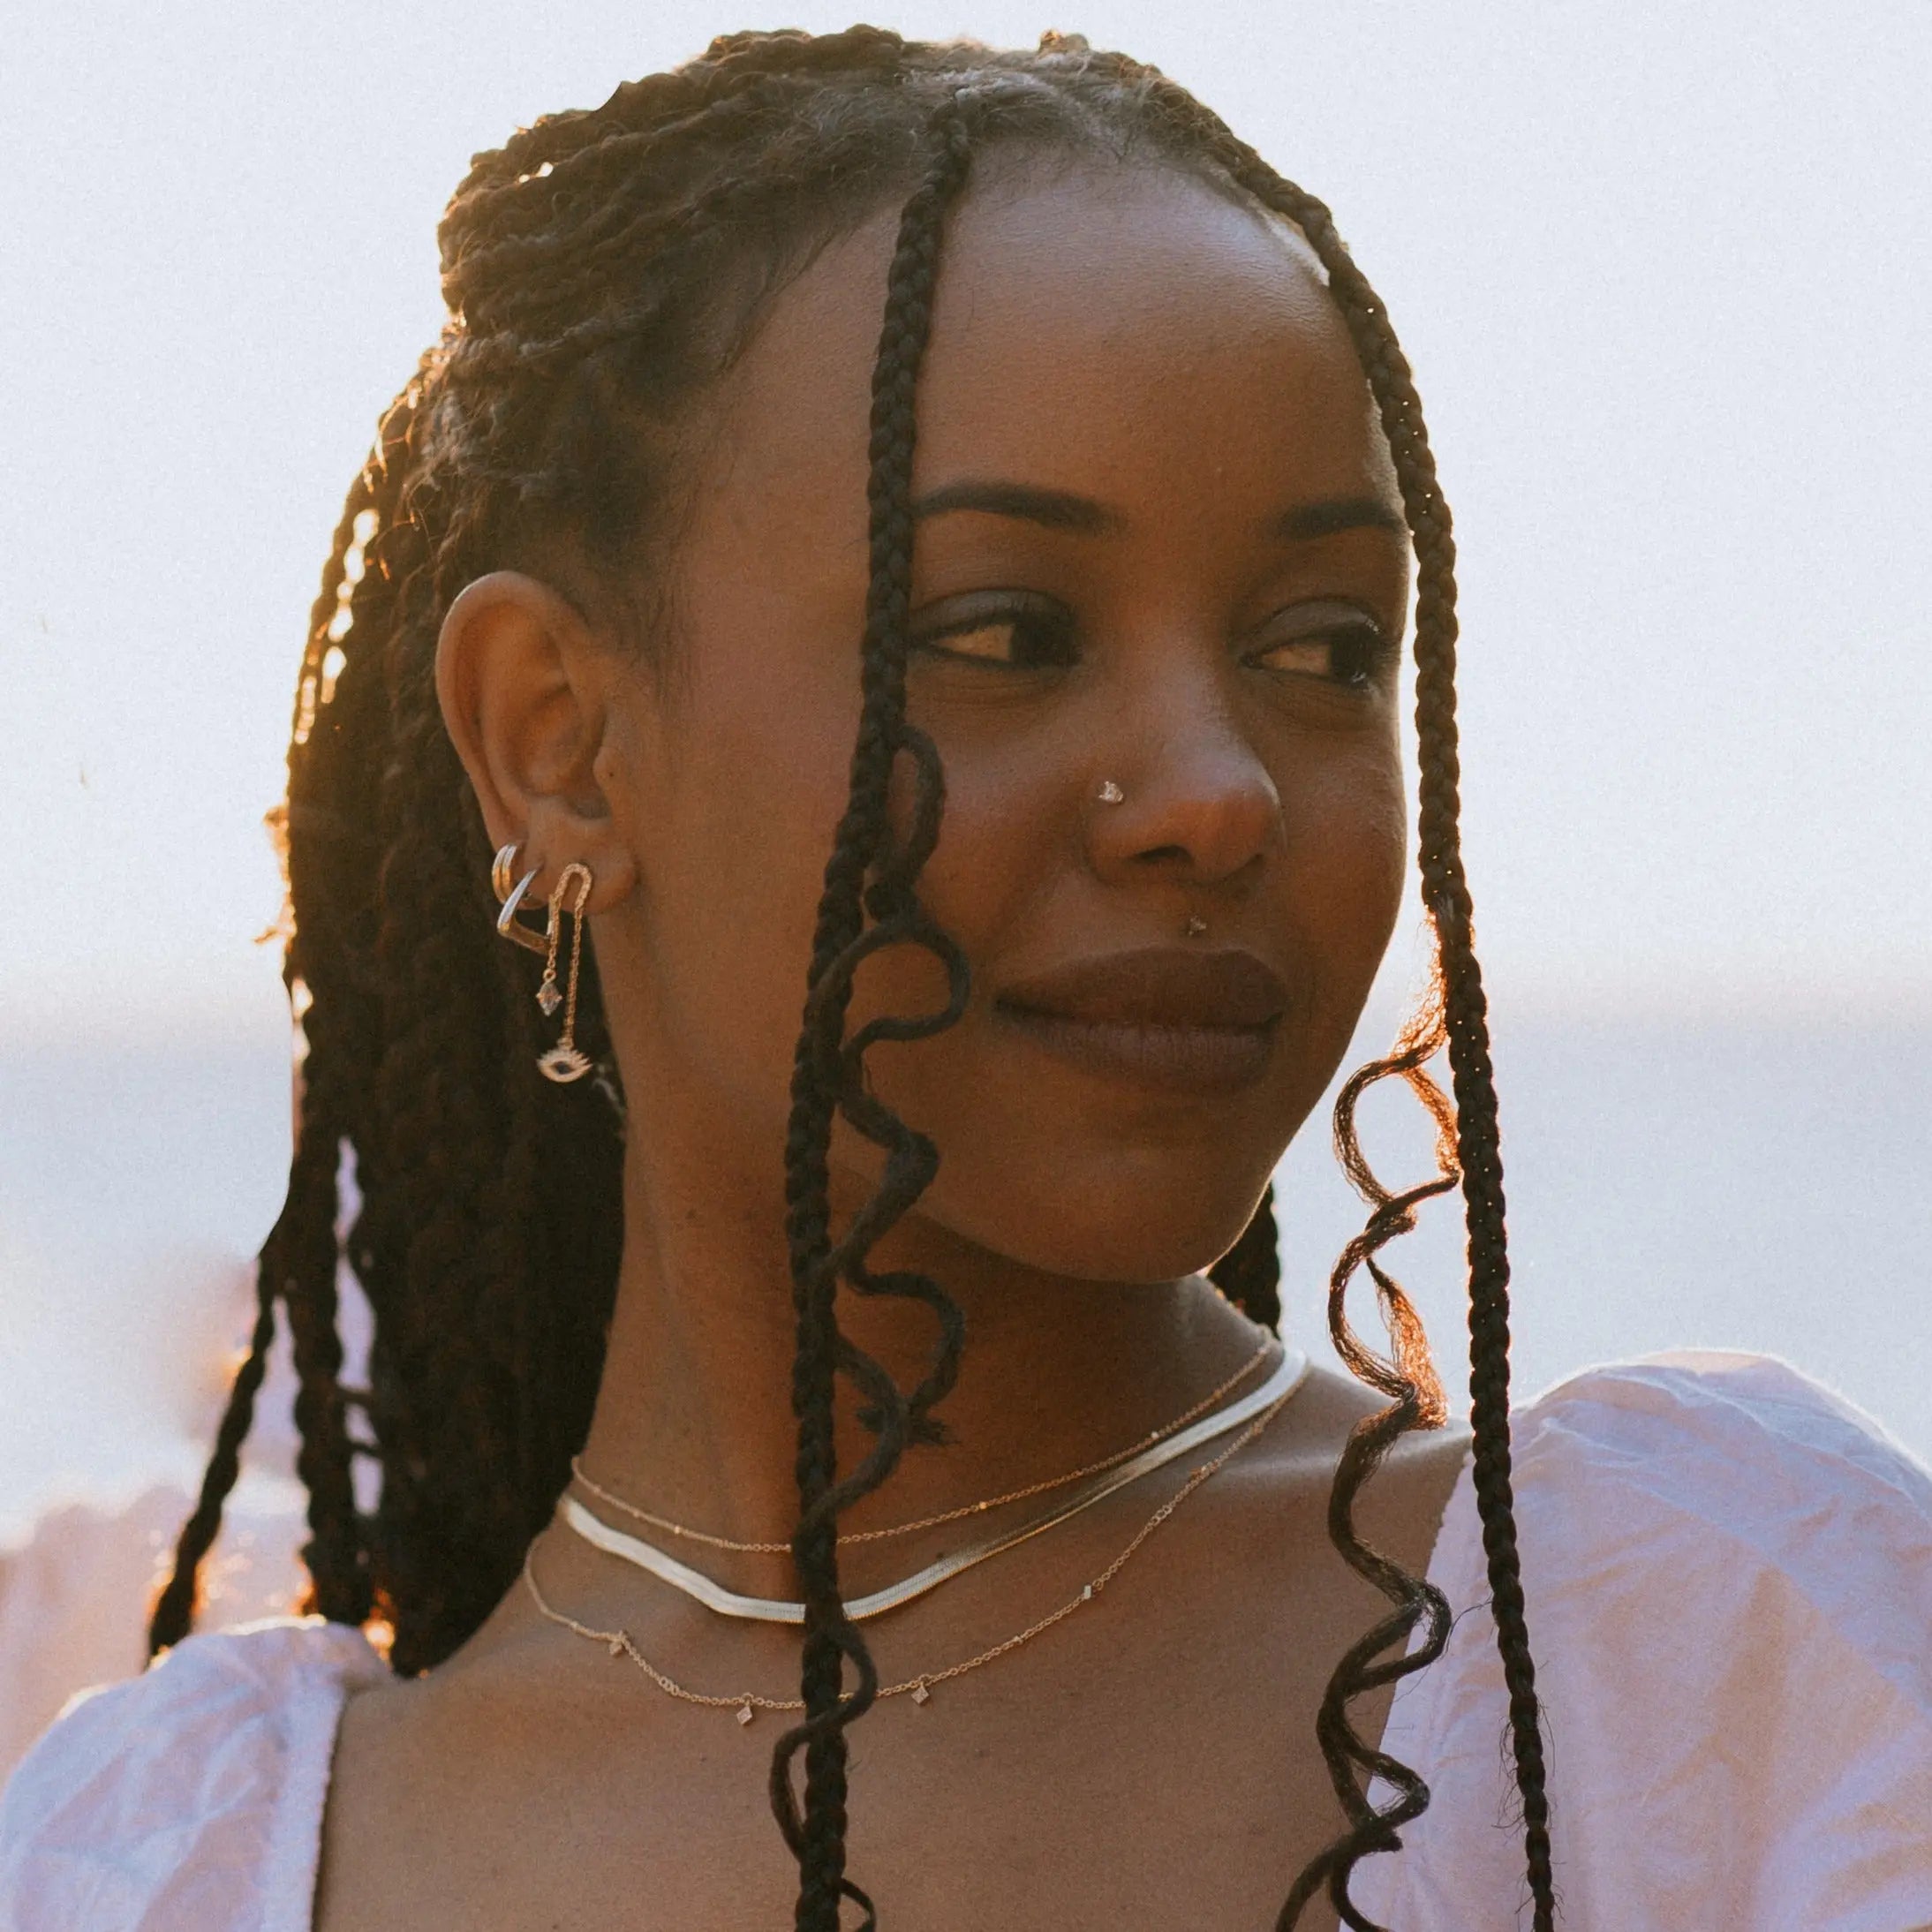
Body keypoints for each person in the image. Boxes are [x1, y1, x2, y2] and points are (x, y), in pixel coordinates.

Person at [2, 26, 1928, 1931]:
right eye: (1006, 628)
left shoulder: (1689, 1662)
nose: (1213, 789)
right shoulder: (176, 1860)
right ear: (564, 741)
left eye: (1325, 645)